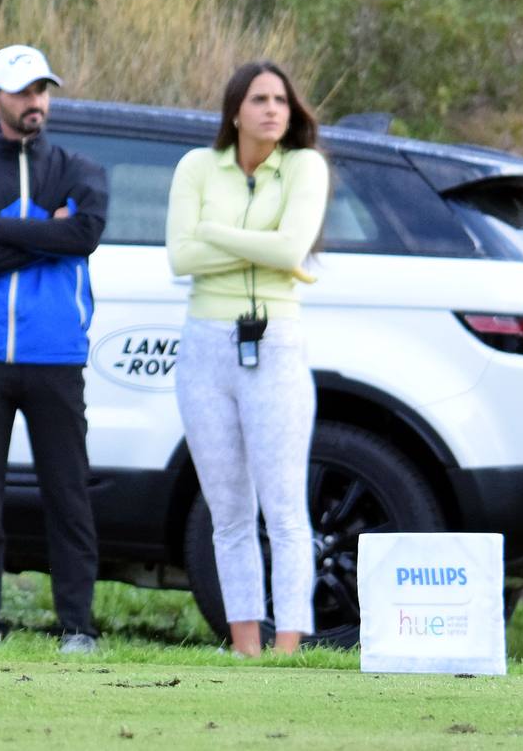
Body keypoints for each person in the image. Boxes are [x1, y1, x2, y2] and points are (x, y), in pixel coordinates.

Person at [0, 45, 109, 654]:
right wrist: (50, 234)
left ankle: (78, 628)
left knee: (68, 495)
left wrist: (1, 228)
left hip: (57, 355)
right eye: (21, 91)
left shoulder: (78, 168)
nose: (34, 101)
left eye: (41, 90)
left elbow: (84, 235)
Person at [165, 61, 330, 657]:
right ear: (235, 110)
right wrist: (271, 254)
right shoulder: (197, 167)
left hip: (276, 341)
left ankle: (288, 645)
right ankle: (245, 645)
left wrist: (216, 232)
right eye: (258, 99)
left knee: (285, 507)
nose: (272, 110)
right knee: (229, 509)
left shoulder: (305, 166)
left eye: (281, 100)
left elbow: (293, 246)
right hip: (205, 343)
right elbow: (180, 260)